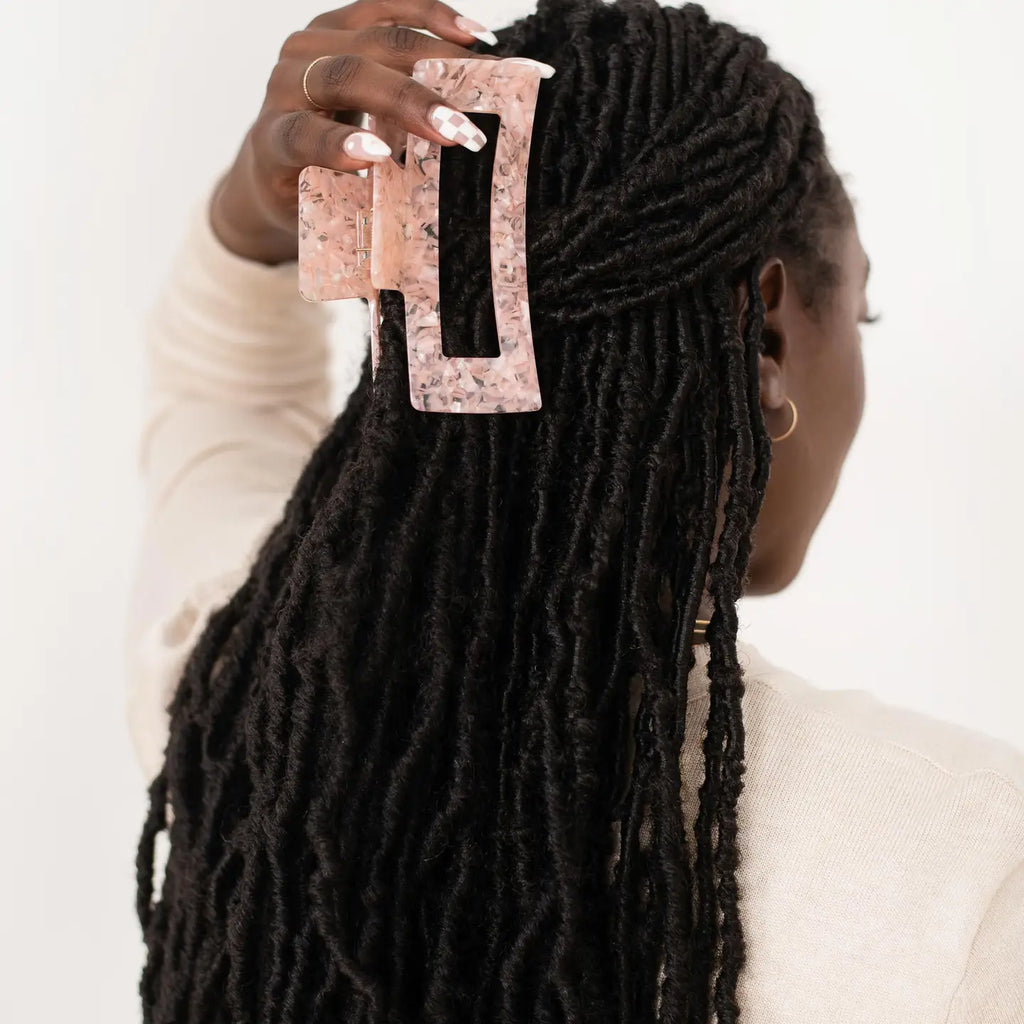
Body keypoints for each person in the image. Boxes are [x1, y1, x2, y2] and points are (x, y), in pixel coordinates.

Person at [125, 0, 1024, 1020]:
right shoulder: (968, 880)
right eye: (861, 311)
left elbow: (216, 404)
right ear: (765, 337)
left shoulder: (243, 707)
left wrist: (249, 216)